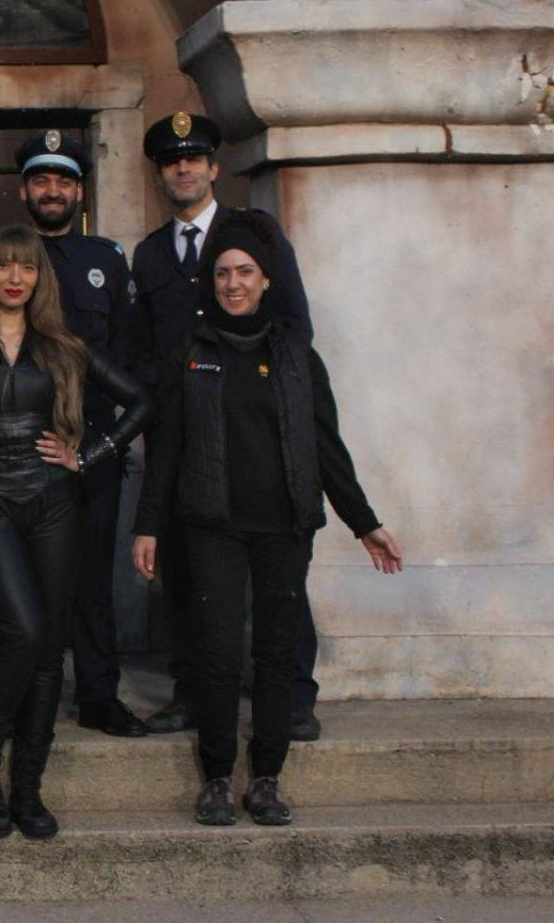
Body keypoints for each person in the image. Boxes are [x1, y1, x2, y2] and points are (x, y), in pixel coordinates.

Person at [131, 210, 402, 827]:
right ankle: (220, 776)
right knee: (220, 651)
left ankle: (269, 778)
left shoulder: (297, 356)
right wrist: (147, 525)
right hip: (211, 526)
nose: (233, 283)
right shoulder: (188, 353)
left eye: (245, 272)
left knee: (276, 654)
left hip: (284, 528)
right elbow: (166, 446)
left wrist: (364, 522)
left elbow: (327, 448)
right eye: (223, 273)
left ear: (266, 280)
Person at [0, 225, 150, 840]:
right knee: (23, 631)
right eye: (3, 266)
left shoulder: (63, 344)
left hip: (56, 506)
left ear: (39, 278)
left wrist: (90, 452)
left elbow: (141, 401)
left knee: (49, 643)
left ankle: (26, 787)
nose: (13, 277)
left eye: (25, 268)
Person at [127, 111, 324, 741]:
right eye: (170, 161)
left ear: (214, 167)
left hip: (255, 431)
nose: (183, 169)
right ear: (160, 173)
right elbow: (148, 349)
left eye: (194, 158)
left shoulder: (252, 235)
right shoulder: (152, 253)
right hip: (185, 438)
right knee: (188, 572)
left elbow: (294, 329)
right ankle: (192, 689)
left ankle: (292, 694)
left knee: (277, 575)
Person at [14, 129, 147, 738]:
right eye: (42, 180)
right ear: (24, 190)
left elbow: (126, 358)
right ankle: (24, 694)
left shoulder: (105, 261)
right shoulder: (7, 259)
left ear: (78, 190)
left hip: (90, 444)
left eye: (63, 180)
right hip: (24, 445)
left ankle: (98, 695)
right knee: (25, 579)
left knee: (93, 580)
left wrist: (97, 448)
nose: (52, 190)